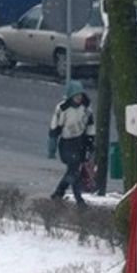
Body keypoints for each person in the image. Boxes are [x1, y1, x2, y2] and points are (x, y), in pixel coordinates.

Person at [47, 79, 95, 207]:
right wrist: (51, 147)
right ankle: (78, 198)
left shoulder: (86, 108)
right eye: (76, 95)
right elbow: (54, 128)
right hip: (67, 143)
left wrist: (90, 143)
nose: (79, 98)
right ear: (71, 96)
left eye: (80, 95)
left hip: (80, 142)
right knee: (74, 169)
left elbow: (90, 126)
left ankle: (59, 192)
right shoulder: (62, 108)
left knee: (73, 170)